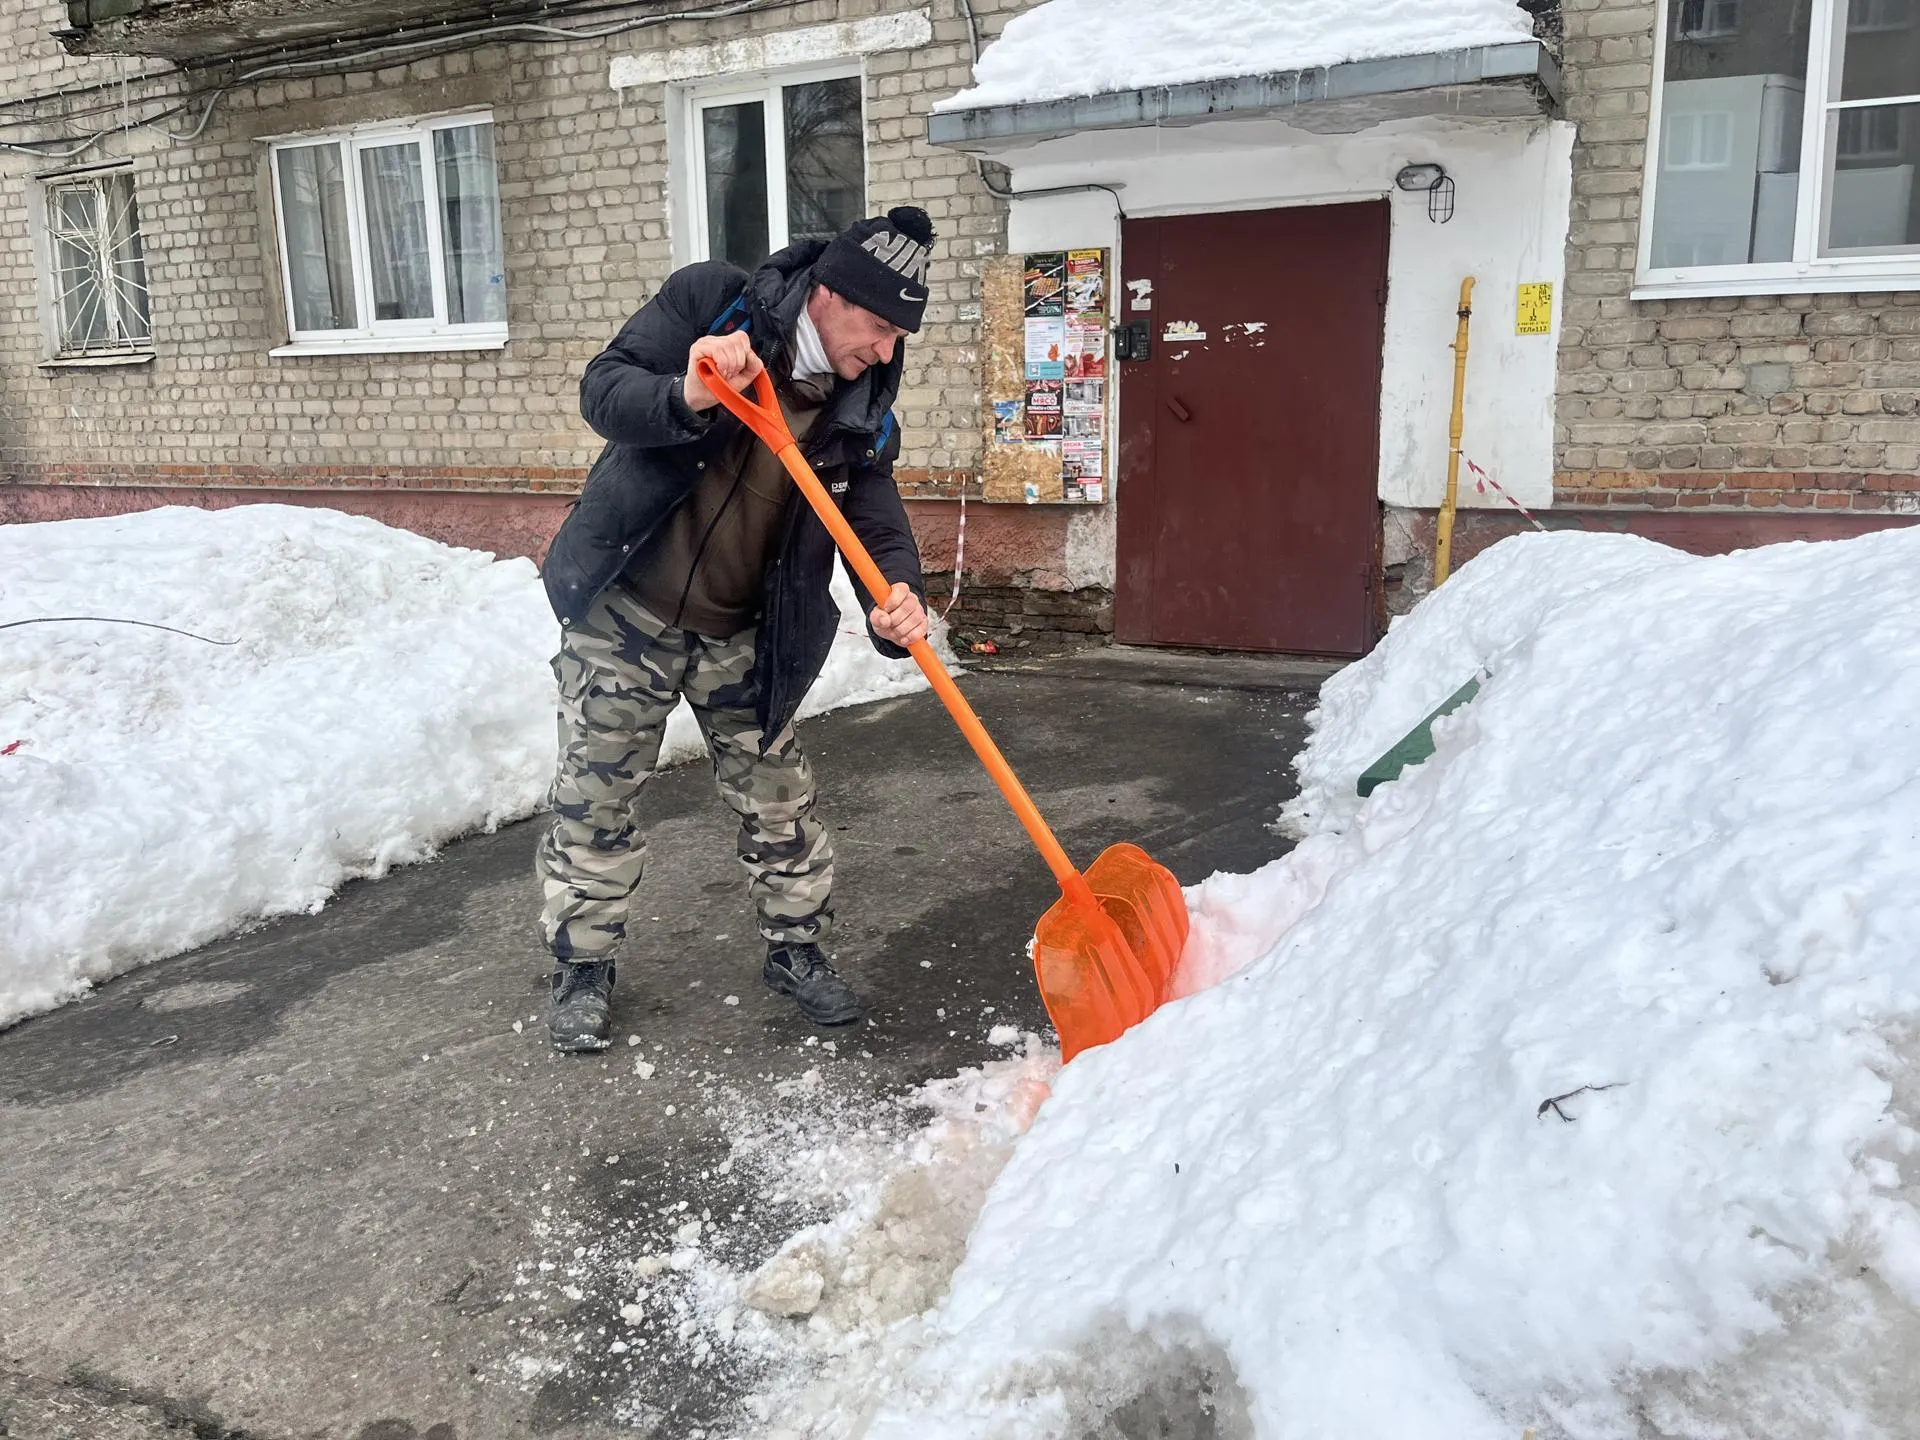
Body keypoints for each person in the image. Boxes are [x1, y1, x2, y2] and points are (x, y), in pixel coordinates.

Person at [534, 206, 936, 1053]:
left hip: (745, 631)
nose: (888, 349)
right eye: (878, 326)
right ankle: (582, 963)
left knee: (780, 802)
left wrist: (899, 593)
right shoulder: (712, 305)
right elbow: (604, 390)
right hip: (626, 609)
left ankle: (799, 951)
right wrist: (685, 389)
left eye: (902, 335)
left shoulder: (861, 406)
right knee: (596, 792)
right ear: (830, 294)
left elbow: (876, 515)